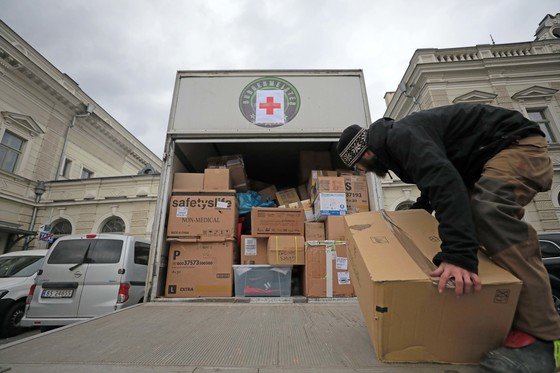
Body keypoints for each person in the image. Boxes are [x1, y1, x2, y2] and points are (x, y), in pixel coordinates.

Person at [337, 103, 560, 373]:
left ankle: (543, 337)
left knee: (487, 212)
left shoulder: (401, 137)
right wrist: (420, 211)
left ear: (367, 153)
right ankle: (507, 308)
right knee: (463, 219)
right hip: (482, 160)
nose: (363, 172)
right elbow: (437, 181)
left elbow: (444, 181)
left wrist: (459, 257)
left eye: (360, 166)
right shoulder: (397, 142)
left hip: (516, 145)